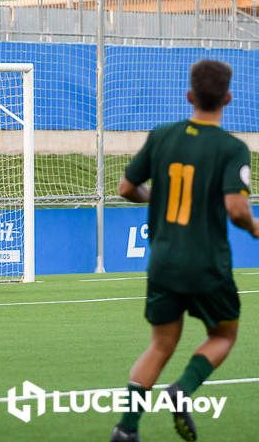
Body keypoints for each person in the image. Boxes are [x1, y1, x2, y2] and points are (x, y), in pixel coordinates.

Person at [110, 60, 258, 442]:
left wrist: (153, 195)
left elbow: (126, 188)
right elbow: (237, 208)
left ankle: (126, 430)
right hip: (207, 262)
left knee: (160, 344)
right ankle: (183, 389)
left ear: (189, 96)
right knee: (224, 334)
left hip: (163, 261)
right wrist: (256, 229)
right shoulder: (232, 148)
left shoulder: (162, 136)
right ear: (227, 98)